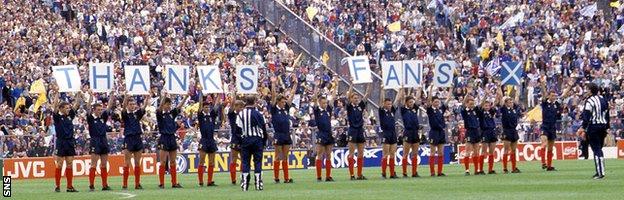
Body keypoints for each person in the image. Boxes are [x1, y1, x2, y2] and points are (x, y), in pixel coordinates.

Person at [52, 89, 83, 192]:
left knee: (69, 163)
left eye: (69, 108)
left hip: (70, 142)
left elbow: (77, 104)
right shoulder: (57, 116)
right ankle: (57, 186)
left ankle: (69, 186)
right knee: (59, 164)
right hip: (61, 141)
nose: (68, 109)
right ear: (61, 109)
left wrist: (78, 94)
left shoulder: (70, 116)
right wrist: (56, 93)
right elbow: (55, 105)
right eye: (66, 108)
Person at [577, 83, 609, 180]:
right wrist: (607, 126)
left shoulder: (589, 101)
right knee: (599, 149)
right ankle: (599, 171)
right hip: (603, 127)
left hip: (593, 127)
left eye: (587, 89)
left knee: (596, 150)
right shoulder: (603, 99)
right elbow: (607, 114)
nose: (586, 91)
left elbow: (587, 115)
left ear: (590, 91)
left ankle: (600, 173)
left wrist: (583, 127)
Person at [156, 93, 188, 189]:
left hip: (172, 138)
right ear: (164, 105)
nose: (169, 106)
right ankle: (161, 183)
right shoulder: (159, 114)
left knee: (173, 162)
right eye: (167, 104)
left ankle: (174, 183)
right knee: (163, 162)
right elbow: (159, 108)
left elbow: (179, 107)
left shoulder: (171, 114)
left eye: (170, 104)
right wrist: (164, 97)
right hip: (164, 138)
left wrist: (185, 97)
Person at [237, 95, 269, 191]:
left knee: (245, 162)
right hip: (257, 140)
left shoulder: (241, 114)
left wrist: (240, 142)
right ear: (254, 101)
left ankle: (245, 184)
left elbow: (238, 129)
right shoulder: (259, 114)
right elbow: (264, 129)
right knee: (258, 162)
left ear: (246, 102)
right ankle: (258, 183)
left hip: (245, 140)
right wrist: (264, 141)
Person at [270, 75, 297, 183]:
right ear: (278, 102)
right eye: (282, 102)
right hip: (278, 134)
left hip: (286, 134)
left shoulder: (286, 108)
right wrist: (273, 84)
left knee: (285, 157)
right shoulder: (274, 109)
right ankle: (276, 178)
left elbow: (292, 95)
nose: (284, 103)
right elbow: (273, 96)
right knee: (277, 157)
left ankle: (286, 178)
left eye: (284, 102)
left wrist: (295, 84)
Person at [539, 77, 571, 171]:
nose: (554, 97)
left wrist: (569, 86)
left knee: (550, 148)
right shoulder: (545, 103)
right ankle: (543, 162)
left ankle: (549, 166)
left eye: (554, 96)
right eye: (552, 96)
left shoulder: (556, 104)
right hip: (545, 126)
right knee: (544, 144)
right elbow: (544, 93)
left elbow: (564, 95)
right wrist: (542, 84)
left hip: (552, 127)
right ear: (549, 96)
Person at [86, 90, 114, 191]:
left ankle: (104, 185)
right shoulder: (90, 118)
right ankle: (91, 185)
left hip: (103, 140)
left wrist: (111, 95)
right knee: (93, 164)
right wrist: (90, 96)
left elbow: (109, 107)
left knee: (103, 164)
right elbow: (88, 108)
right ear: (94, 110)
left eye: (101, 109)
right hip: (95, 140)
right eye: (98, 109)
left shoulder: (103, 117)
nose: (100, 111)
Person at [121, 93, 150, 190]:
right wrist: (126, 97)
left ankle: (137, 183)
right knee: (127, 162)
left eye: (134, 104)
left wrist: (147, 97)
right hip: (129, 139)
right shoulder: (125, 114)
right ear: (128, 105)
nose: (133, 106)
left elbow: (144, 107)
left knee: (137, 163)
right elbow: (123, 108)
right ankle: (125, 184)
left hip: (137, 138)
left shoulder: (137, 114)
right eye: (131, 104)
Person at [312, 80, 338, 182]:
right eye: (323, 103)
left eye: (326, 103)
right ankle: (319, 176)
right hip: (321, 134)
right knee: (320, 155)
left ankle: (328, 176)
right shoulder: (317, 110)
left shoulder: (328, 110)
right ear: (320, 103)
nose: (325, 104)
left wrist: (335, 86)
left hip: (329, 134)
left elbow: (333, 98)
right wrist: (316, 87)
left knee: (328, 155)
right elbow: (314, 98)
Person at [346, 82, 371, 180]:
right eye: (354, 98)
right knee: (351, 153)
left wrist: (369, 84)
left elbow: (367, 95)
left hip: (360, 130)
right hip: (352, 130)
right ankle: (352, 174)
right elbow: (348, 96)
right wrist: (351, 84)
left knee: (361, 153)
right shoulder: (349, 107)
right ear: (351, 99)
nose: (356, 99)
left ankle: (360, 174)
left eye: (357, 98)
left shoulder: (360, 106)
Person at [425, 86, 452, 177]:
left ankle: (439, 172)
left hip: (441, 132)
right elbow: (428, 101)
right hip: (434, 132)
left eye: (438, 102)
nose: (437, 103)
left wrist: (451, 89)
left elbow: (448, 99)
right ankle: (432, 172)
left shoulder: (441, 109)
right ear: (432, 102)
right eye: (435, 102)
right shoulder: (430, 110)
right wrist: (431, 90)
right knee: (432, 152)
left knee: (441, 153)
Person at [196, 92, 221, 186]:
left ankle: (210, 181)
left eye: (208, 107)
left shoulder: (212, 116)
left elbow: (216, 105)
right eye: (205, 107)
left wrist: (219, 94)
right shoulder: (201, 116)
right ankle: (200, 181)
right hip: (204, 140)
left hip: (211, 140)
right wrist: (201, 94)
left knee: (211, 162)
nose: (207, 108)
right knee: (201, 161)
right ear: (203, 108)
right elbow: (199, 105)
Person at [378, 87, 401, 179]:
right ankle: (383, 173)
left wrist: (400, 91)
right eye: (388, 104)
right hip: (386, 133)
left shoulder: (392, 111)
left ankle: (392, 173)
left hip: (393, 133)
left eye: (390, 104)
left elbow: (397, 100)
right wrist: (382, 90)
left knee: (392, 154)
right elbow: (380, 100)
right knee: (385, 154)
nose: (390, 105)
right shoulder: (382, 111)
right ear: (384, 104)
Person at [498, 86, 522, 174]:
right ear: (506, 103)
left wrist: (518, 88)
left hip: (513, 130)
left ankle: (514, 167)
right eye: (509, 102)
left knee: (514, 150)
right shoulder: (504, 109)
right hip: (507, 130)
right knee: (506, 150)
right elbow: (500, 98)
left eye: (511, 102)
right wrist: (498, 87)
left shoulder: (514, 109)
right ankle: (505, 168)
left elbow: (517, 97)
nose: (511, 103)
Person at [400, 88, 422, 178]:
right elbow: (401, 100)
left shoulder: (414, 109)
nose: (412, 103)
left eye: (412, 102)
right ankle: (404, 172)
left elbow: (417, 99)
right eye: (410, 102)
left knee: (415, 154)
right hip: (408, 132)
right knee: (405, 153)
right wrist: (402, 89)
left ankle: (414, 172)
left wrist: (419, 88)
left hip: (415, 132)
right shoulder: (403, 110)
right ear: (406, 103)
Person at [460, 94, 483, 175]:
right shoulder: (465, 112)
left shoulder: (475, 111)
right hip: (469, 131)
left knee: (476, 152)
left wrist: (486, 95)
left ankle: (476, 170)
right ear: (467, 104)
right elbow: (462, 104)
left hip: (476, 131)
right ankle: (467, 170)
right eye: (470, 104)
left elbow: (481, 105)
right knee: (468, 152)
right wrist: (467, 94)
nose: (472, 105)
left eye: (473, 104)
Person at [478, 89, 499, 174]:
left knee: (491, 152)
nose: (487, 107)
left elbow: (496, 102)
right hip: (485, 132)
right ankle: (481, 169)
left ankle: (490, 169)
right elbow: (480, 106)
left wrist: (497, 94)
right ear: (483, 106)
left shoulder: (491, 111)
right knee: (483, 151)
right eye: (485, 105)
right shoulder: (480, 112)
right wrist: (485, 96)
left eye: (488, 105)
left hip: (492, 132)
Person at [227, 98, 245, 185]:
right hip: (235, 139)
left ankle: (243, 177)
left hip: (243, 139)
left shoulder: (245, 116)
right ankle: (233, 179)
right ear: (235, 106)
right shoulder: (232, 115)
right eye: (240, 106)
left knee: (244, 159)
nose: (241, 108)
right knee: (233, 160)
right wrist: (234, 95)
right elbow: (231, 107)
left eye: (242, 107)